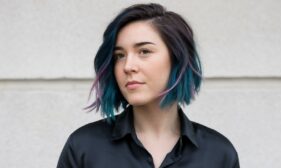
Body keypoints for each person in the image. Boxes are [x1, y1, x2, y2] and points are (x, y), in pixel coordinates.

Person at [57, 3, 239, 168]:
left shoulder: (219, 154)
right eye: (119, 55)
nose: (128, 66)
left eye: (144, 51)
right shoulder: (84, 147)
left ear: (178, 59)